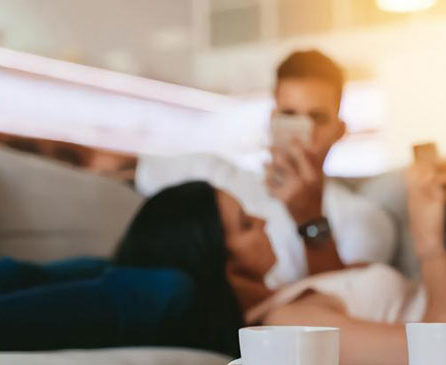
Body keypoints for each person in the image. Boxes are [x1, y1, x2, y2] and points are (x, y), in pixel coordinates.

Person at [0, 159, 446, 365]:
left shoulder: (289, 306)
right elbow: (441, 347)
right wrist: (428, 246)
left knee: (152, 285)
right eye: (246, 226)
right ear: (216, 257)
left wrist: (429, 242)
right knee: (33, 271)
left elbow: (445, 348)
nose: (266, 225)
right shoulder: (289, 309)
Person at [116, 50, 397, 287]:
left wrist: (310, 219)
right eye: (289, 115)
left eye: (318, 118)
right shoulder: (211, 174)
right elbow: (112, 167)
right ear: (271, 119)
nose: (303, 132)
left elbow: (351, 305)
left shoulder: (364, 219)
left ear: (340, 130)